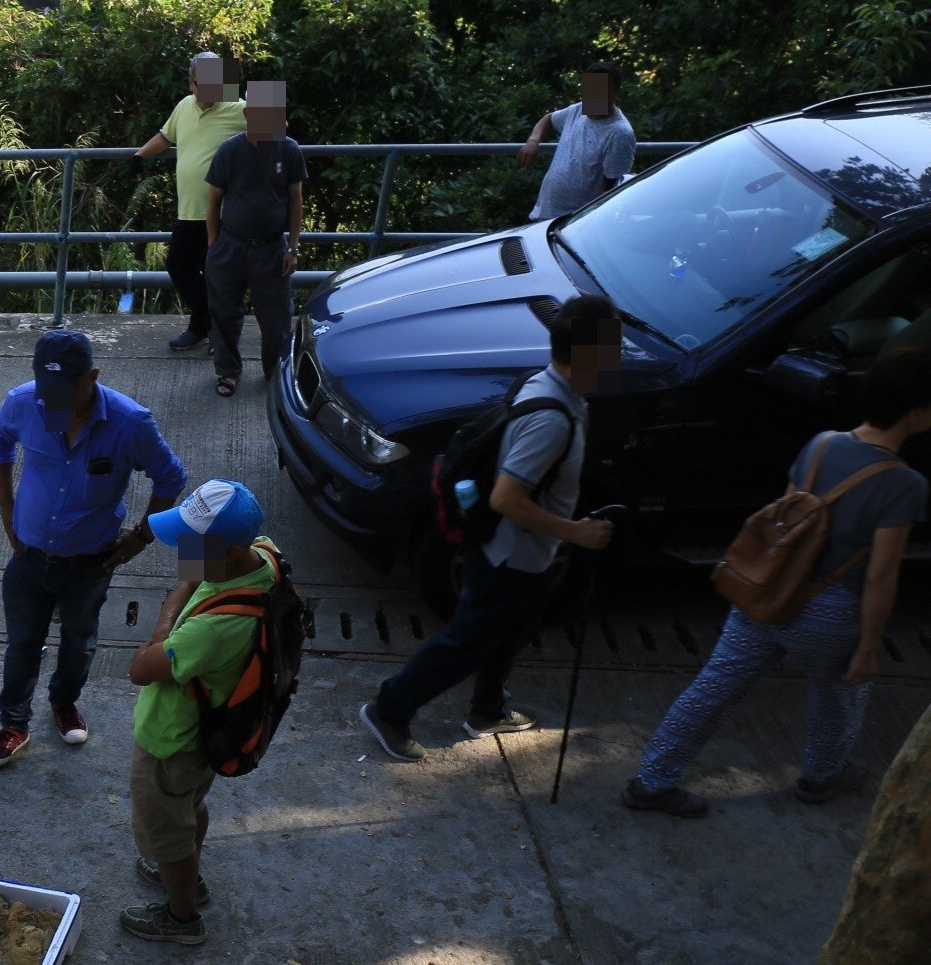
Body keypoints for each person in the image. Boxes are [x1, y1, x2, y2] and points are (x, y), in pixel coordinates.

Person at [622, 349, 931, 817]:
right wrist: (868, 649)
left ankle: (652, 780)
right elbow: (881, 576)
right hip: (829, 612)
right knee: (839, 695)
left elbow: (785, 526)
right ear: (915, 413)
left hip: (765, 594)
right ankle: (821, 776)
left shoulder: (822, 443)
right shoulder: (904, 484)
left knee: (714, 687)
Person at [360, 295, 619, 760]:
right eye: (612, 345)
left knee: (513, 629)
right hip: (507, 556)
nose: (618, 353)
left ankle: (488, 710)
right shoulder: (550, 419)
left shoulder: (550, 386)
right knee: (466, 641)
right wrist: (576, 532)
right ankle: (389, 709)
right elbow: (505, 498)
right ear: (588, 354)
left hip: (532, 555)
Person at [0, 329, 188, 768]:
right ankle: (13, 724)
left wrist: (142, 535)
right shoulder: (28, 403)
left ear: (91, 377)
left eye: (63, 389)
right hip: (29, 554)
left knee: (79, 637)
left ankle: (64, 702)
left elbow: (171, 477)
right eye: (45, 388)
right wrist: (6, 505)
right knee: (22, 641)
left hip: (91, 560)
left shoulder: (130, 424)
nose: (52, 399)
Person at [120, 479, 272, 946]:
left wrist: (173, 600)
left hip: (172, 741)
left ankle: (181, 917)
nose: (183, 550)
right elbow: (203, 570)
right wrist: (195, 571)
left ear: (226, 551)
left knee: (168, 832)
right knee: (189, 807)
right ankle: (187, 870)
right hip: (207, 734)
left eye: (193, 541)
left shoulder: (212, 629)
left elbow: (141, 668)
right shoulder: (263, 556)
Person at [133, 53, 249, 354]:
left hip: (226, 212)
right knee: (179, 265)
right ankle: (203, 324)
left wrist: (264, 94)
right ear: (191, 83)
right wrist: (140, 156)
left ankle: (220, 335)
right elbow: (165, 136)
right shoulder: (184, 106)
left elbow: (279, 132)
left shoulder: (240, 109)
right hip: (190, 210)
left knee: (221, 275)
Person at [203, 79, 307, 399]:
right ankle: (228, 372)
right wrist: (214, 243)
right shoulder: (230, 150)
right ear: (249, 114)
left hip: (272, 248)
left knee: (276, 317)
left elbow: (295, 201)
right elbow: (213, 199)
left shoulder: (288, 149)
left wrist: (292, 246)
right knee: (223, 314)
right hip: (231, 245)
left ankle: (274, 373)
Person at [520, 62, 637, 221]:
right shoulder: (578, 110)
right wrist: (533, 140)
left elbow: (610, 192)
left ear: (618, 93)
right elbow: (549, 119)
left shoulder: (619, 133)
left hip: (573, 224)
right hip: (545, 215)